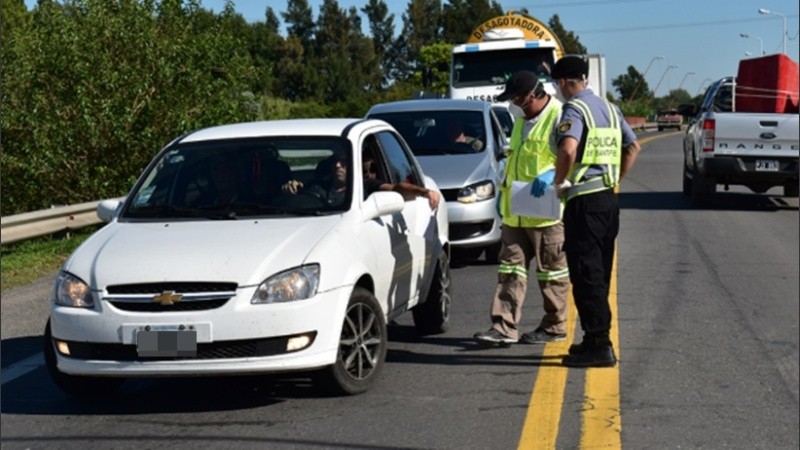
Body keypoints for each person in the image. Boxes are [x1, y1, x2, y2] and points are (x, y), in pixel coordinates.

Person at [543, 55, 641, 367]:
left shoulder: (575, 109)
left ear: (561, 83)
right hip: (607, 201)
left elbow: (569, 148)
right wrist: (615, 179)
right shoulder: (610, 109)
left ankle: (599, 343)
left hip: (583, 203)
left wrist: (560, 181)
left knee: (586, 274)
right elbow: (633, 146)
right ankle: (592, 339)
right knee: (598, 270)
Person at [473, 70, 571, 347]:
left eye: (516, 99)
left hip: (546, 214)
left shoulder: (559, 116)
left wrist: (554, 175)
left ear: (532, 95)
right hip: (516, 211)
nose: (513, 105)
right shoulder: (520, 121)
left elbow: (573, 154)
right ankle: (503, 327)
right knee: (510, 271)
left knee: (551, 273)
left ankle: (555, 325)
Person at [282, 147, 440, 210]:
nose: (338, 166)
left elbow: (396, 189)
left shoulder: (366, 185)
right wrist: (292, 188)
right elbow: (298, 196)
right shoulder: (318, 185)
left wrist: (424, 192)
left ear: (353, 166)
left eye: (343, 162)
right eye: (334, 162)